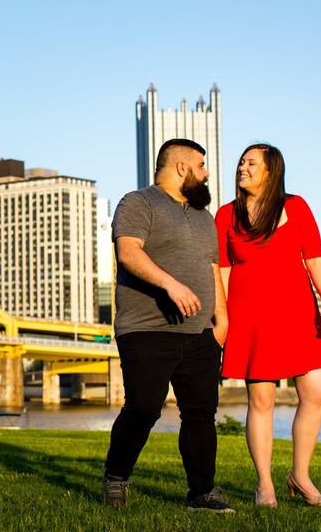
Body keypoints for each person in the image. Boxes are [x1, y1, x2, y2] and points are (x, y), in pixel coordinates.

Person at [102, 138, 233, 513]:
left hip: (200, 334)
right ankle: (116, 476)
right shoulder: (138, 202)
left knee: (200, 414)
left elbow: (212, 270)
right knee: (144, 408)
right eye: (202, 165)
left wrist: (221, 319)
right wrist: (170, 284)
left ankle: (202, 493)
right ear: (181, 167)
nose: (207, 174)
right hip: (146, 328)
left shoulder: (203, 217)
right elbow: (128, 253)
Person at [215, 143, 321, 508]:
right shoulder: (225, 216)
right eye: (241, 161)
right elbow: (221, 273)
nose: (243, 167)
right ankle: (265, 484)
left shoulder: (296, 206)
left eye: (252, 162)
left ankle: (300, 476)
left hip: (300, 313)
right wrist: (221, 319)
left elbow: (314, 259)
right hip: (250, 317)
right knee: (262, 399)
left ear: (271, 171)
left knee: (316, 390)